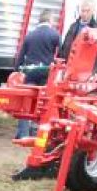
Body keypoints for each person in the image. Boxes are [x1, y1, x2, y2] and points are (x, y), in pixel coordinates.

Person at [14, 9, 61, 138]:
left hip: (30, 73)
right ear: (50, 20)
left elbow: (21, 56)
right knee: (44, 104)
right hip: (46, 73)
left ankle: (22, 133)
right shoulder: (55, 35)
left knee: (26, 102)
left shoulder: (30, 35)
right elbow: (61, 55)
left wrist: (16, 70)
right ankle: (40, 133)